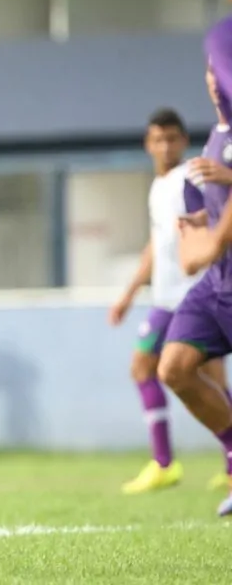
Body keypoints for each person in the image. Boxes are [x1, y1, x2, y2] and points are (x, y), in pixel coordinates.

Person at [109, 108, 229, 494]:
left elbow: (208, 224)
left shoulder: (188, 178)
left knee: (156, 368)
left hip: (190, 294)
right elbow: (155, 246)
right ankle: (200, 463)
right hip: (166, 297)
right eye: (158, 140)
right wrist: (128, 294)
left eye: (172, 139)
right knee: (188, 374)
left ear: (183, 141)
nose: (165, 147)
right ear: (148, 144)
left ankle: (167, 463)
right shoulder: (158, 187)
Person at [159, 59, 232, 516]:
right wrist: (203, 225)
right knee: (173, 368)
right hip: (217, 285)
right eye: (208, 70)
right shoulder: (214, 140)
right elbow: (195, 247)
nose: (213, 78)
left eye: (219, 67)